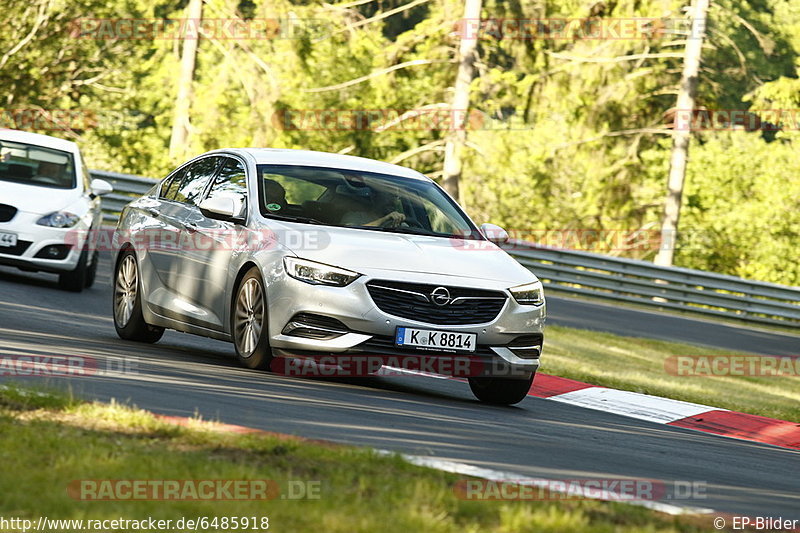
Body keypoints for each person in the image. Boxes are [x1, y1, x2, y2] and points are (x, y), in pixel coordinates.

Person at [341, 188, 405, 227]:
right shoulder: (354, 217)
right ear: (374, 197)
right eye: (389, 195)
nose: (393, 201)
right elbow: (351, 234)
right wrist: (384, 219)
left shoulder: (399, 224)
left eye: (396, 197)